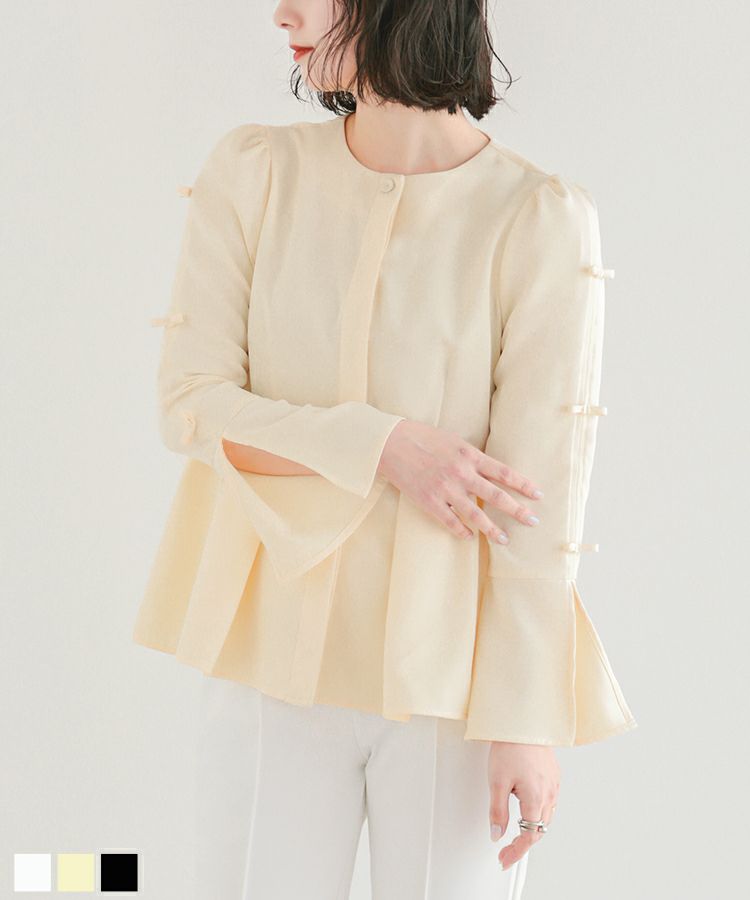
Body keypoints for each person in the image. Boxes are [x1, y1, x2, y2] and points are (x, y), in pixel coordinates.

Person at [133, 1, 638, 897]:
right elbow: (192, 406)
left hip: (456, 690)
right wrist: (384, 446)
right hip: (270, 663)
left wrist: (526, 717)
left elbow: (537, 492)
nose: (282, 12)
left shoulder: (536, 218)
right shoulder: (256, 174)